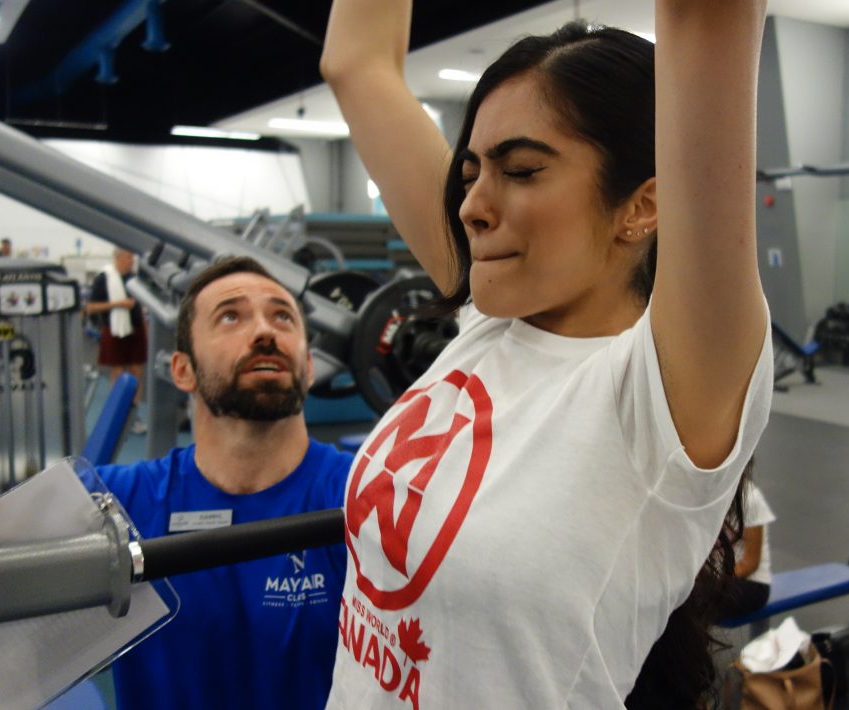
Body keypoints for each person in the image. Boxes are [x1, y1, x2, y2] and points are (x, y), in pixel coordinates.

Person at [320, 0, 772, 706]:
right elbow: (356, 63)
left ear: (644, 207)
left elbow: (706, 16)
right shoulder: (485, 323)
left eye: (522, 170)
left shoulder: (662, 396)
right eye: (470, 172)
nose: (470, 204)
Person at [0, 256, 355, 710]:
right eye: (231, 317)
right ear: (181, 370)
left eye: (282, 318)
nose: (264, 331)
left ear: (309, 368)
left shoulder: (365, 495)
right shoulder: (106, 506)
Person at [86, 248, 148, 434]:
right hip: (114, 329)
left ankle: (133, 414)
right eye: (129, 257)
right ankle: (118, 413)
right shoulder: (104, 278)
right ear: (118, 258)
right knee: (118, 370)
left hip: (136, 329)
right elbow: (91, 306)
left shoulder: (135, 279)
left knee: (137, 369)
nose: (132, 260)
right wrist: (118, 304)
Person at [721, 467, 775, 619]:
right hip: (721, 577)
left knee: (690, 604)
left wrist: (713, 582)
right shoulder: (710, 494)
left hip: (751, 583)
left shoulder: (750, 498)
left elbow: (750, 564)